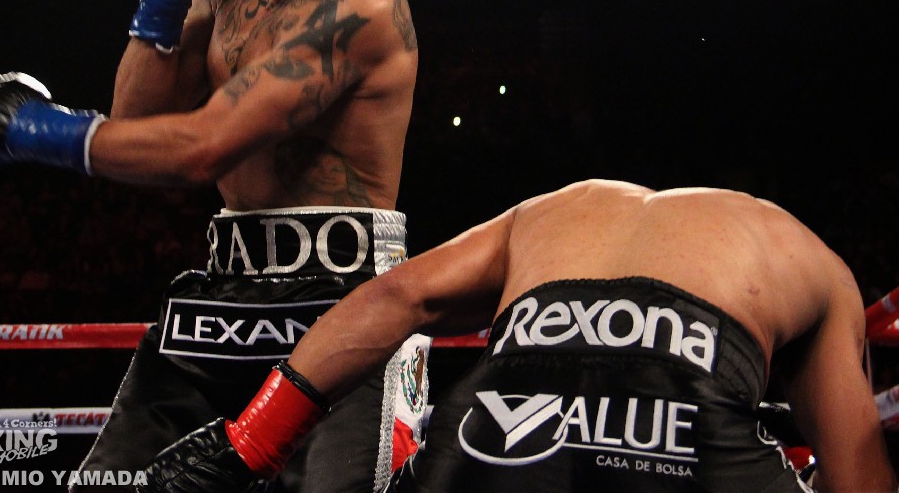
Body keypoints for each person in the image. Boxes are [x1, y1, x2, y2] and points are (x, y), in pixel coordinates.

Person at [0, 0, 426, 493]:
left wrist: (27, 129)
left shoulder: (365, 8)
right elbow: (138, 124)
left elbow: (203, 148)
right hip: (222, 301)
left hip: (344, 305)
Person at [143, 179, 896, 493]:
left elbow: (395, 294)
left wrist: (247, 445)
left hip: (498, 426)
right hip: (688, 430)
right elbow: (860, 482)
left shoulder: (558, 208)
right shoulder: (808, 256)